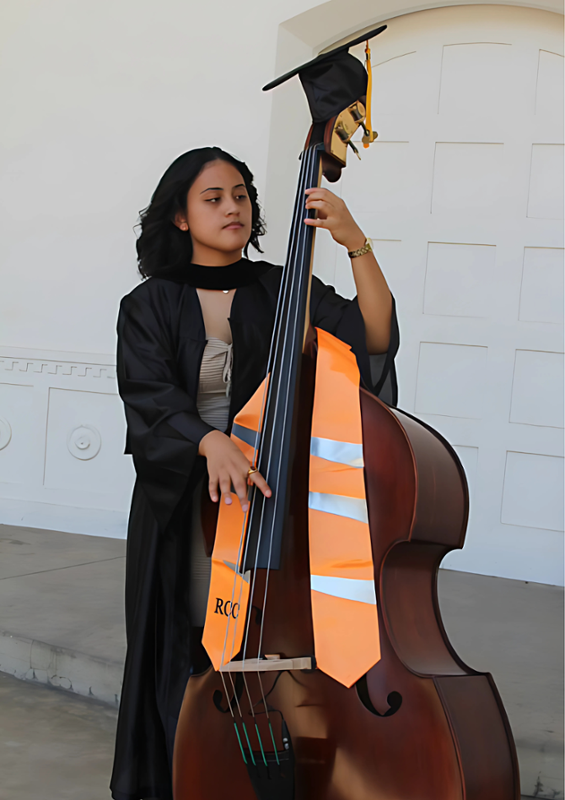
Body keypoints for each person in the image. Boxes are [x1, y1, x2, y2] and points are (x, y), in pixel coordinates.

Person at [110, 146, 399, 800]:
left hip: (273, 504)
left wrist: (355, 243)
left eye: (239, 194)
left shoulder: (282, 289)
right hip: (190, 505)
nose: (232, 208)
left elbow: (372, 336)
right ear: (179, 217)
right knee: (193, 643)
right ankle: (194, 773)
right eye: (212, 198)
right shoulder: (148, 304)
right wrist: (207, 440)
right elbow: (148, 394)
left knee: (285, 636)